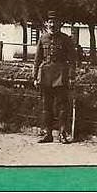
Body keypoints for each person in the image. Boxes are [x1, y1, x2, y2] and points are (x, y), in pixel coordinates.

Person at [33, 11, 78, 143]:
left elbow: (72, 60)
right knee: (46, 106)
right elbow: (37, 59)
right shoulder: (43, 38)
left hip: (60, 76)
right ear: (47, 23)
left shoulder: (66, 39)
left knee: (62, 106)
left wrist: (71, 77)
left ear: (59, 24)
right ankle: (48, 134)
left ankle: (62, 134)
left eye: (55, 22)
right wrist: (35, 77)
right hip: (45, 75)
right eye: (50, 22)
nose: (52, 25)